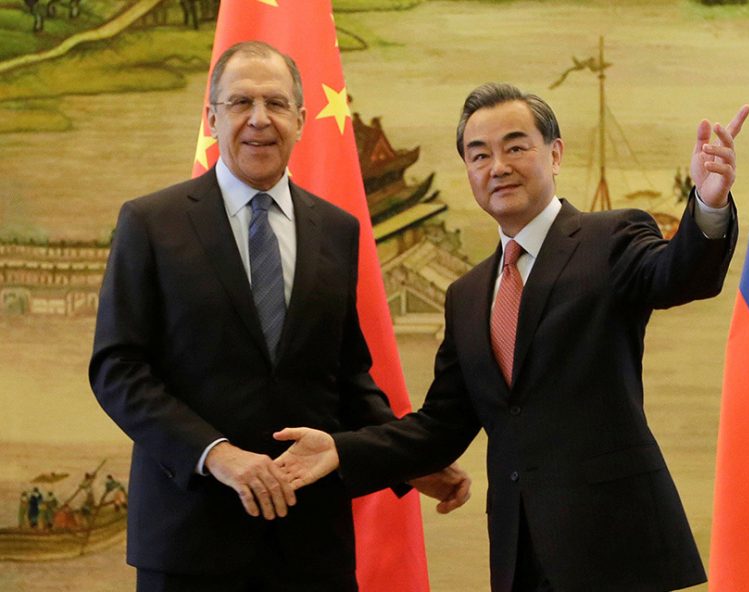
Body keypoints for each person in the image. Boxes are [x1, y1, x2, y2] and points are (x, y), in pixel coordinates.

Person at [275, 83, 749, 591]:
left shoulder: (609, 237)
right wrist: (341, 451)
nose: (498, 165)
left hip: (616, 550)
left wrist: (708, 201)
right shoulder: (468, 294)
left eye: (516, 146)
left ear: (555, 153)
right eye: (479, 154)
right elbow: (440, 427)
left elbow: (679, 274)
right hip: (521, 556)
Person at [89, 40, 468, 592]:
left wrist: (405, 462)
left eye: (276, 103)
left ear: (301, 119)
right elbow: (117, 369)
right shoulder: (152, 222)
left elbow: (348, 380)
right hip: (190, 538)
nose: (259, 119)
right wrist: (215, 455)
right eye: (241, 102)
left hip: (312, 543)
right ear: (212, 117)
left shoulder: (337, 230)